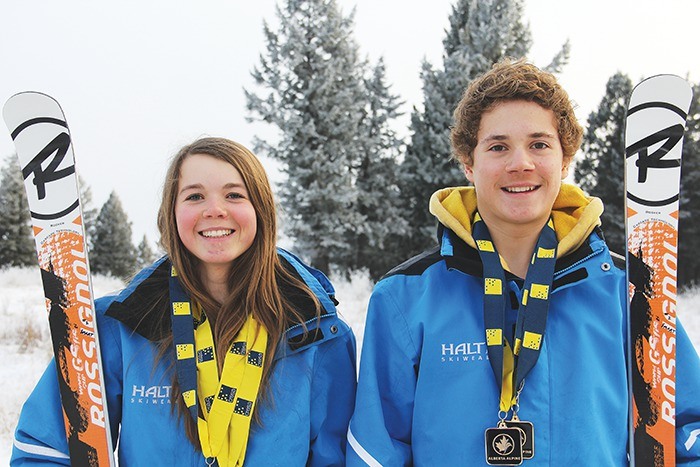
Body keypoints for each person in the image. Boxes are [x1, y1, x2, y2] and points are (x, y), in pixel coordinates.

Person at [347, 59, 700, 465]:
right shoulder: (405, 299)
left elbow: (685, 433)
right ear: (469, 163)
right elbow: (376, 451)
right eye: (498, 146)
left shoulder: (629, 293)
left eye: (539, 144)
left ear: (564, 160)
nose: (521, 163)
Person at [12, 137, 357, 466]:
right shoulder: (116, 327)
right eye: (194, 197)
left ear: (261, 211)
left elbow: (336, 458)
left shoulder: (317, 333)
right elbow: (44, 449)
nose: (215, 210)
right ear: (172, 214)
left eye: (235, 195)